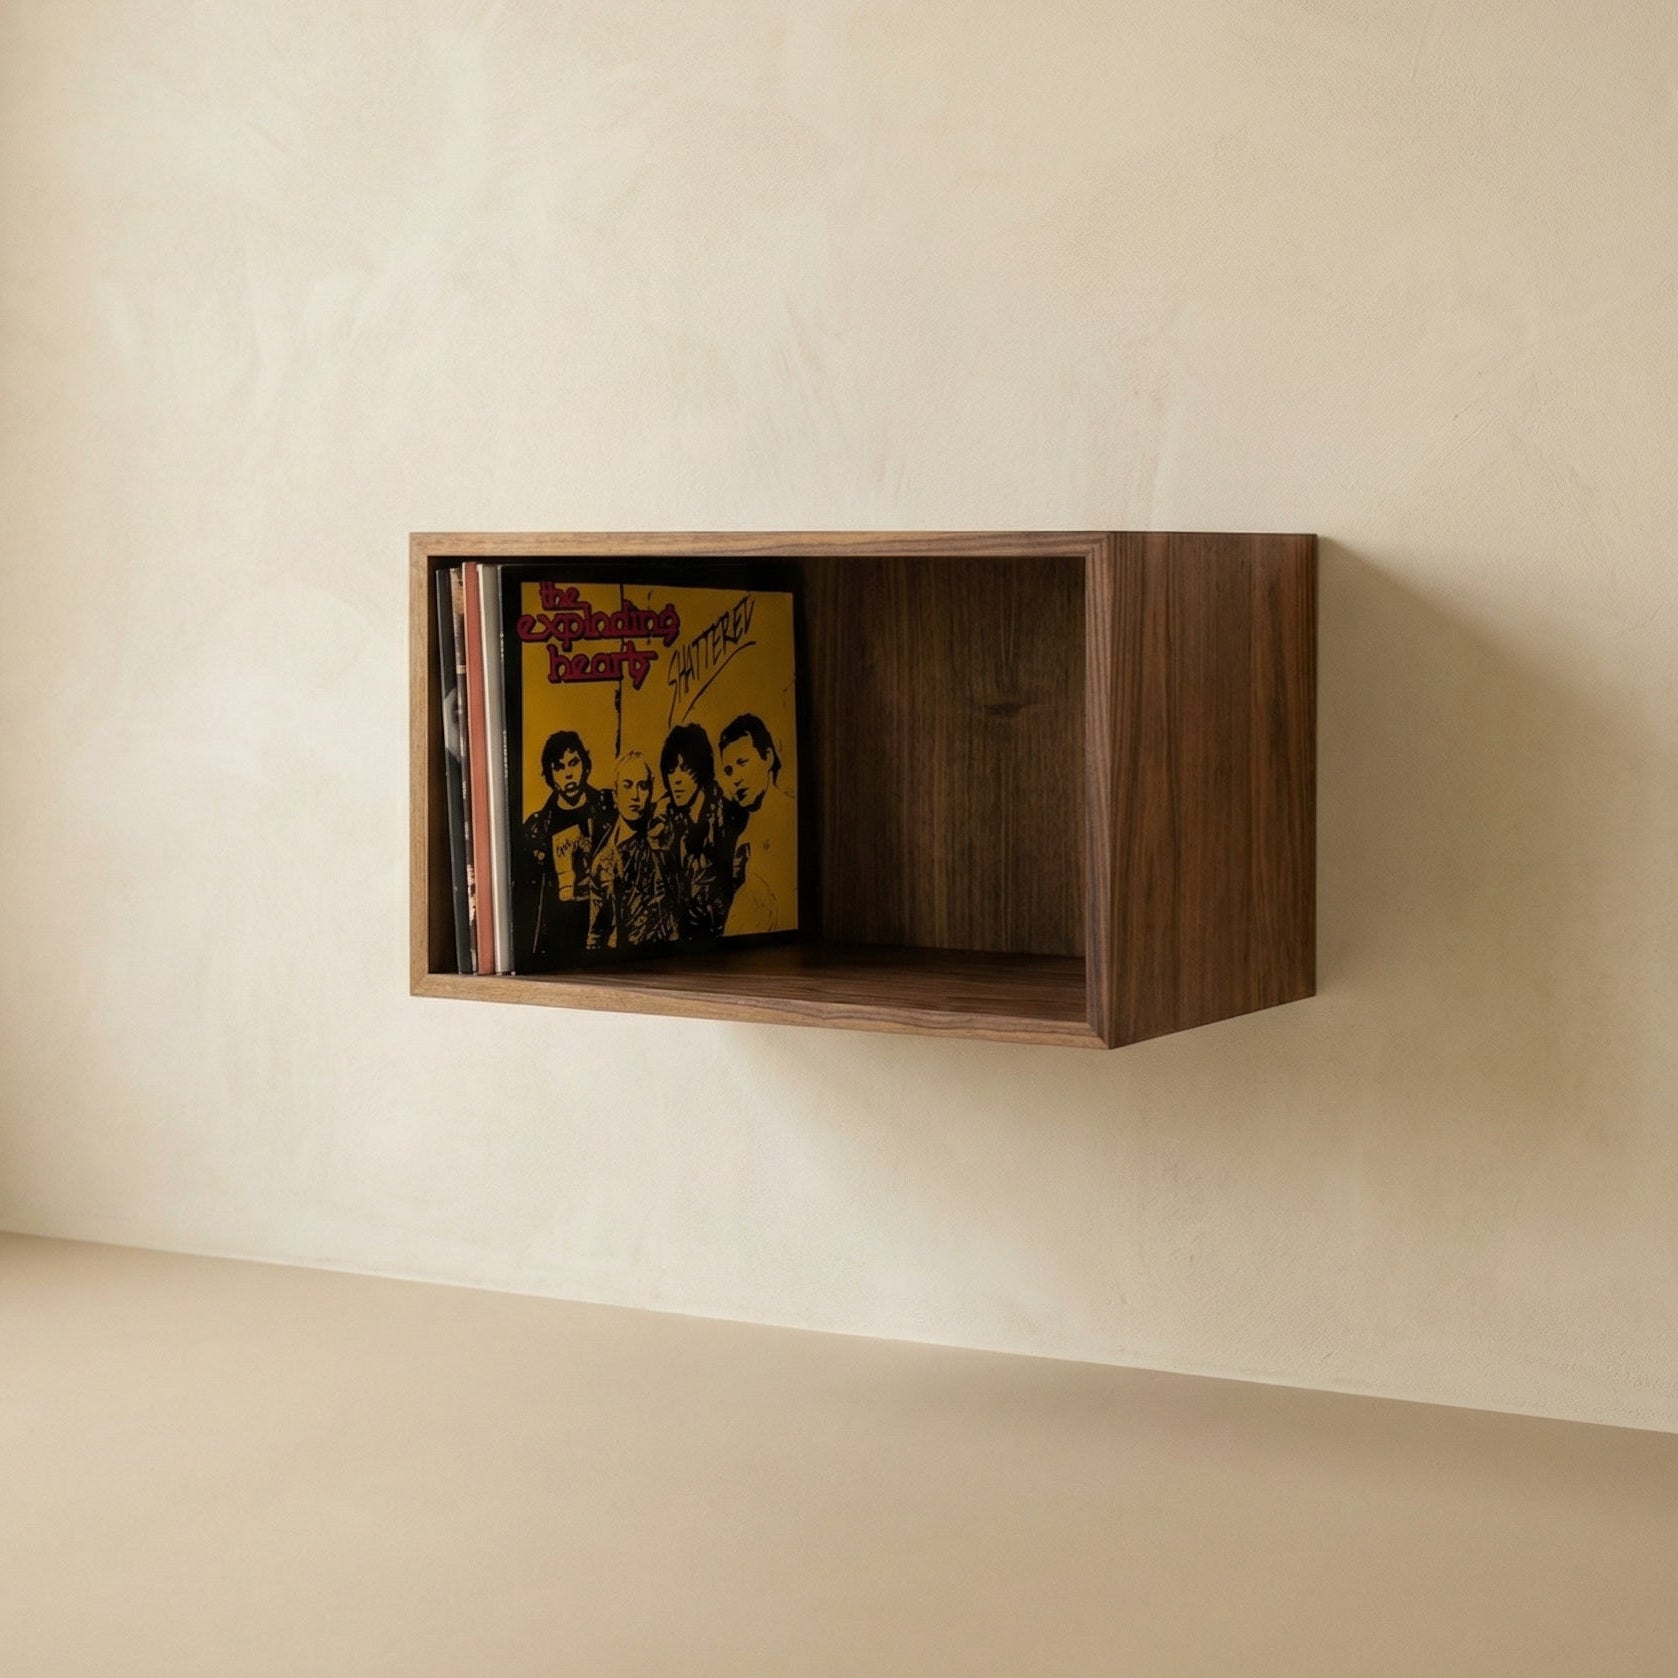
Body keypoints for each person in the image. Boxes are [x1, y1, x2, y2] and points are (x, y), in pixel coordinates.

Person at [513, 731, 612, 965]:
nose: (568, 773)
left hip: (605, 933)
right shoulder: (536, 827)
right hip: (558, 939)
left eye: (574, 763)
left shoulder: (607, 810)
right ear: (550, 775)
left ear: (585, 766)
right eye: (559, 767)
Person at [653, 724, 741, 940]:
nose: (677, 779)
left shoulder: (727, 817)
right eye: (672, 770)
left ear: (700, 768)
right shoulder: (667, 822)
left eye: (685, 768)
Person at [587, 752, 679, 951]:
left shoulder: (665, 838)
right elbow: (595, 932)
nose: (636, 796)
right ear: (616, 794)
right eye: (627, 786)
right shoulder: (603, 860)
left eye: (643, 786)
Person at [717, 713, 798, 936]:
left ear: (768, 757)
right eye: (729, 770)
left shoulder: (792, 817)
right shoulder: (742, 841)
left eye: (743, 762)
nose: (735, 778)